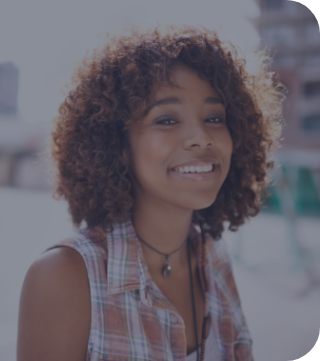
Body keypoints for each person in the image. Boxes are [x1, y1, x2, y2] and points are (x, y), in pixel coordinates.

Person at [17, 24, 285, 361]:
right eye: (167, 120)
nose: (201, 137)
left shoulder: (214, 259)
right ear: (119, 144)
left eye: (215, 117)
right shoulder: (64, 277)